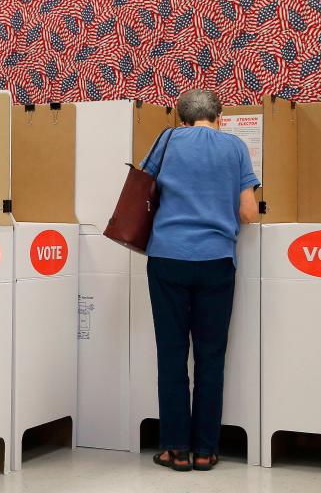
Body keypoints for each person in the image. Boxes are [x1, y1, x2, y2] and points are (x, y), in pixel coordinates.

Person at [139, 89, 260, 472]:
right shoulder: (235, 147)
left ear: (181, 118)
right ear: (220, 116)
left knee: (171, 355)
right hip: (216, 261)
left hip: (168, 258)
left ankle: (175, 450)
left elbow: (143, 190)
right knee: (211, 357)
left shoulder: (168, 140)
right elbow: (248, 213)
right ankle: (206, 450)